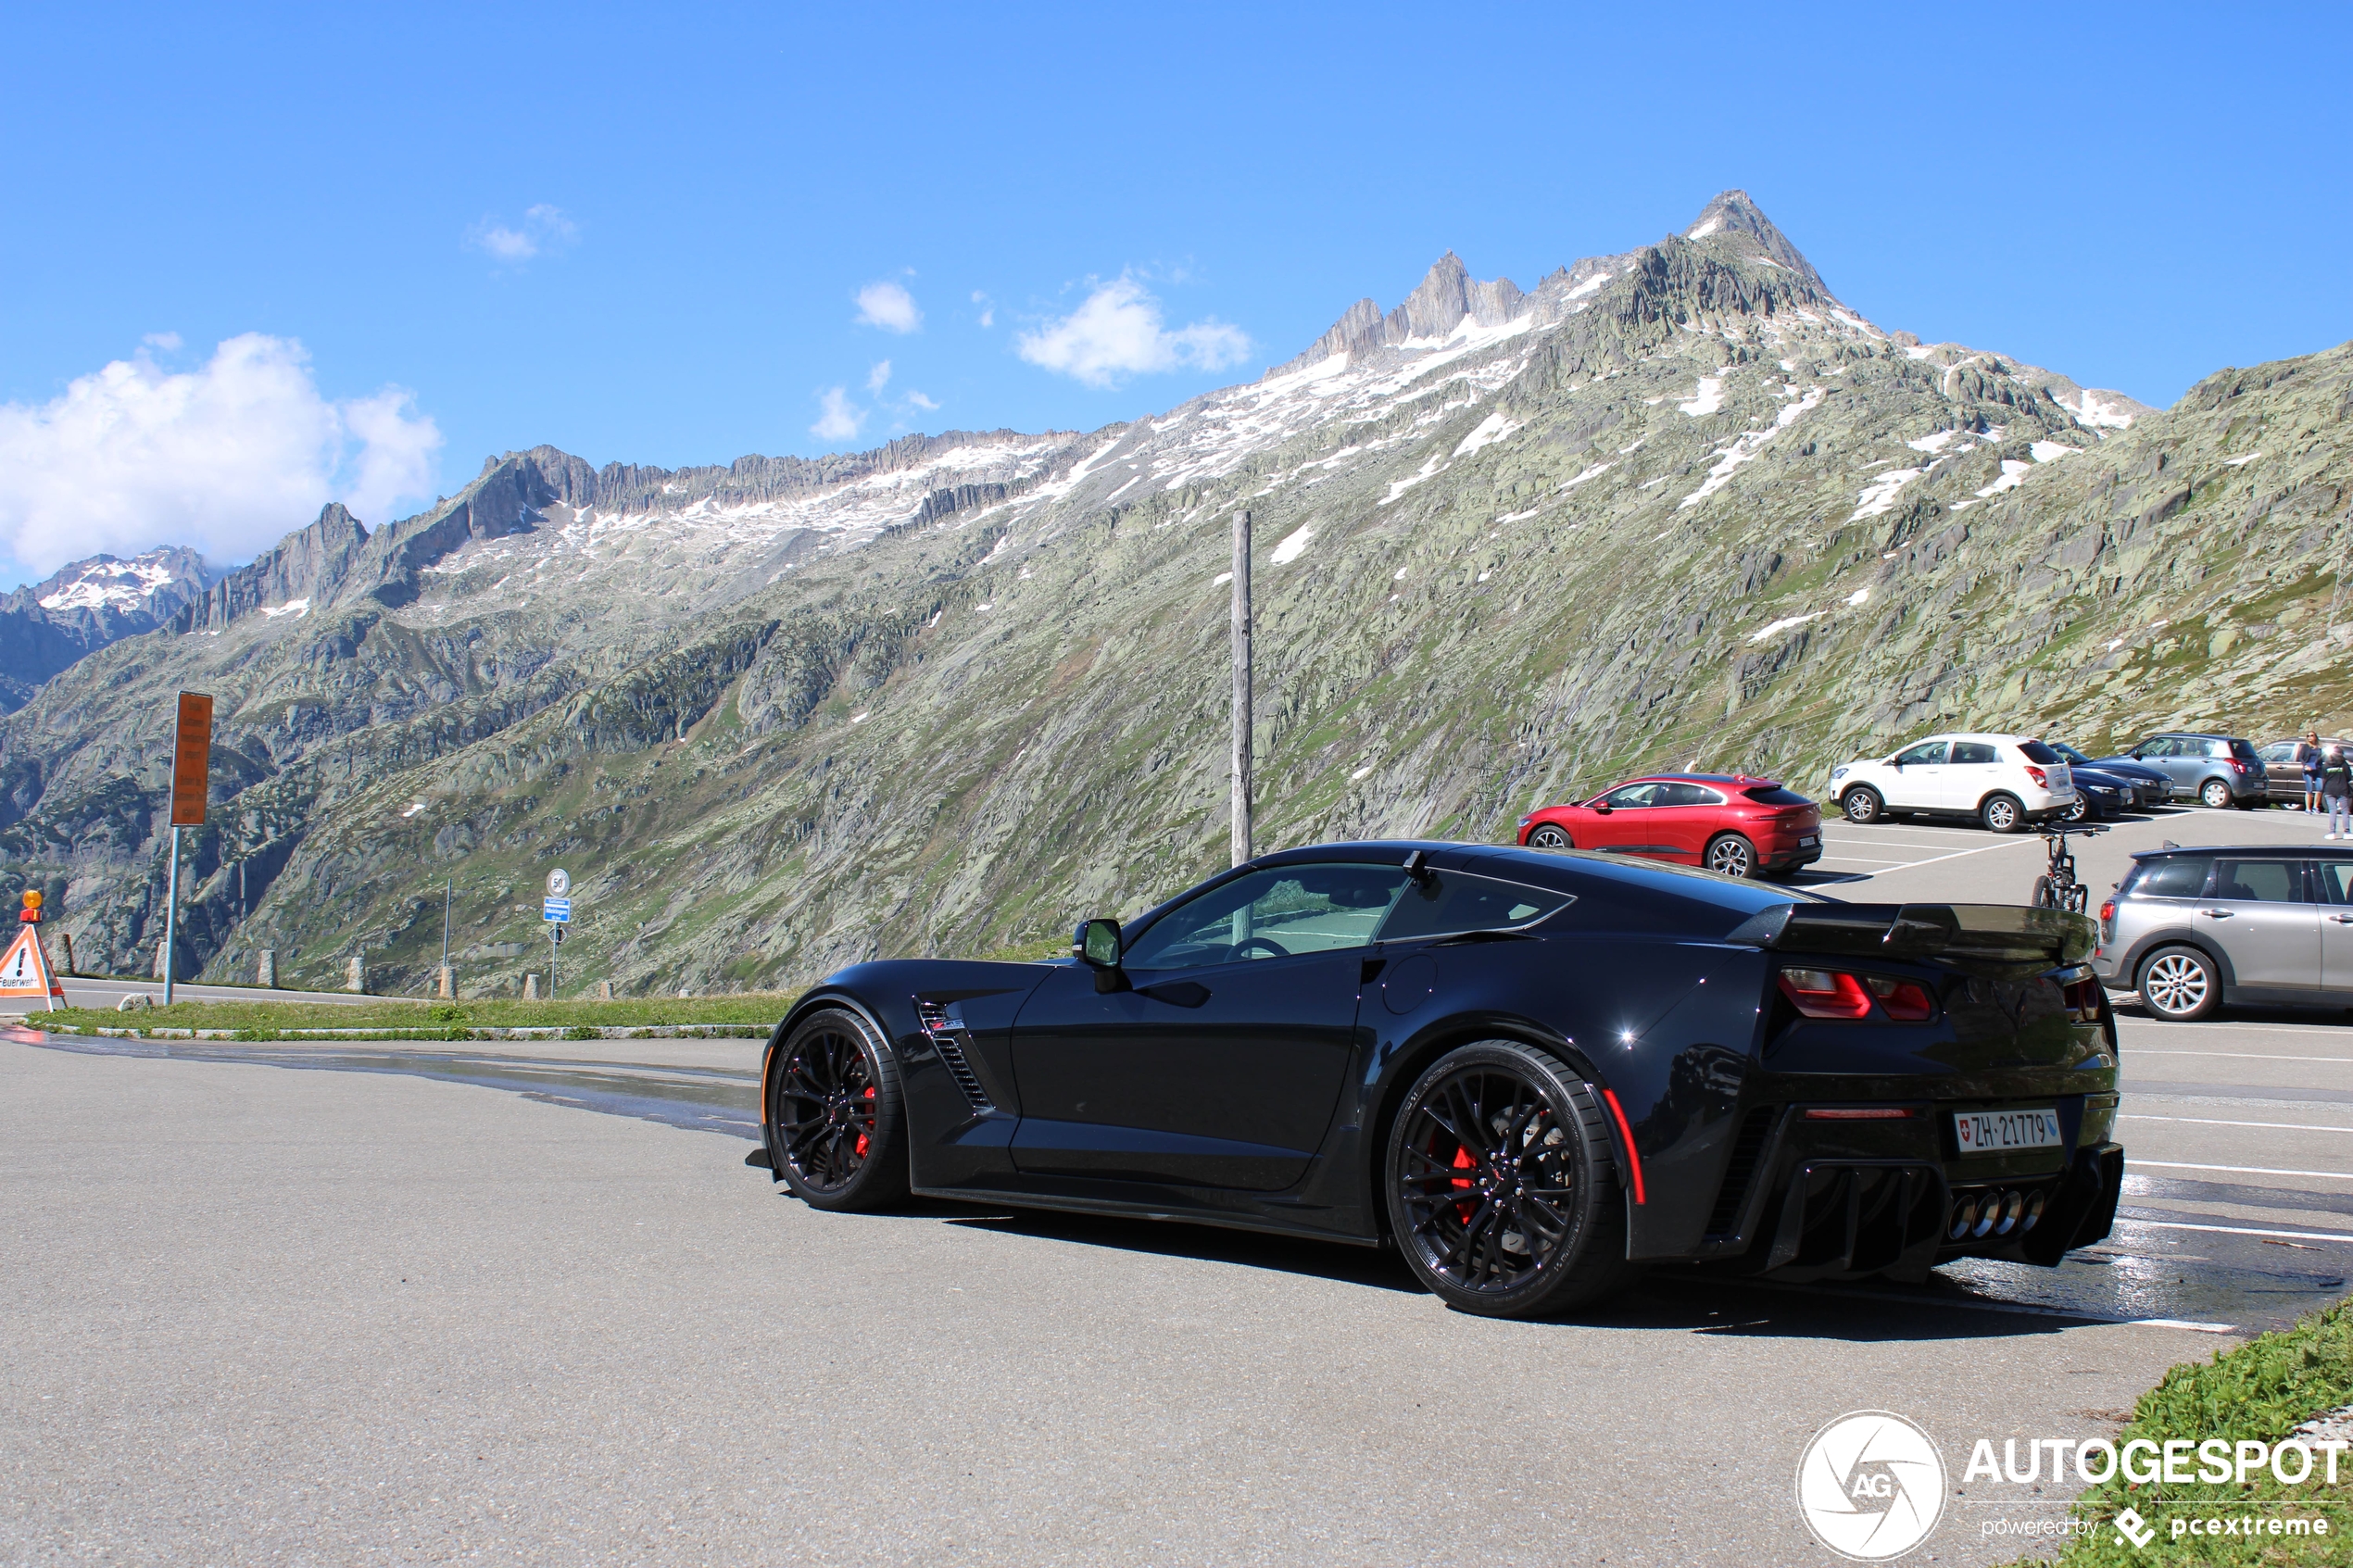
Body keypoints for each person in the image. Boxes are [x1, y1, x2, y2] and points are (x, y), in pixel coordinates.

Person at [2323, 745, 2352, 840]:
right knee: (2345, 811)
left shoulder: (2326, 764)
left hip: (2329, 789)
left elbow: (2323, 777)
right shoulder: (2344, 764)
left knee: (2332, 811)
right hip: (2342, 789)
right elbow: (2349, 777)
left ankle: (2332, 832)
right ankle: (2347, 832)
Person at [2303, 730, 2325, 814]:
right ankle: (2308, 808)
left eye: (2312, 735)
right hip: (2308, 769)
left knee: (2320, 788)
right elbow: (2301, 758)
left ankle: (2316, 807)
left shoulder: (2319, 748)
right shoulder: (2305, 747)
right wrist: (2305, 765)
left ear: (2315, 737)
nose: (2310, 737)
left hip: (2317, 768)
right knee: (2309, 789)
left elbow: (2322, 758)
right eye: (2308, 736)